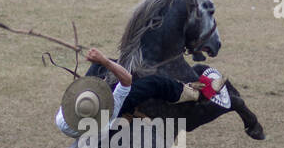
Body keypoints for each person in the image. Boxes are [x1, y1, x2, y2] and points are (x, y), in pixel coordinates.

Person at [55, 48, 208, 138]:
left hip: (87, 120)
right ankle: (191, 93)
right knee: (153, 83)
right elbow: (126, 80)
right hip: (109, 120)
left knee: (98, 68)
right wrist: (104, 61)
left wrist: (100, 63)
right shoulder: (111, 110)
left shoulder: (63, 117)